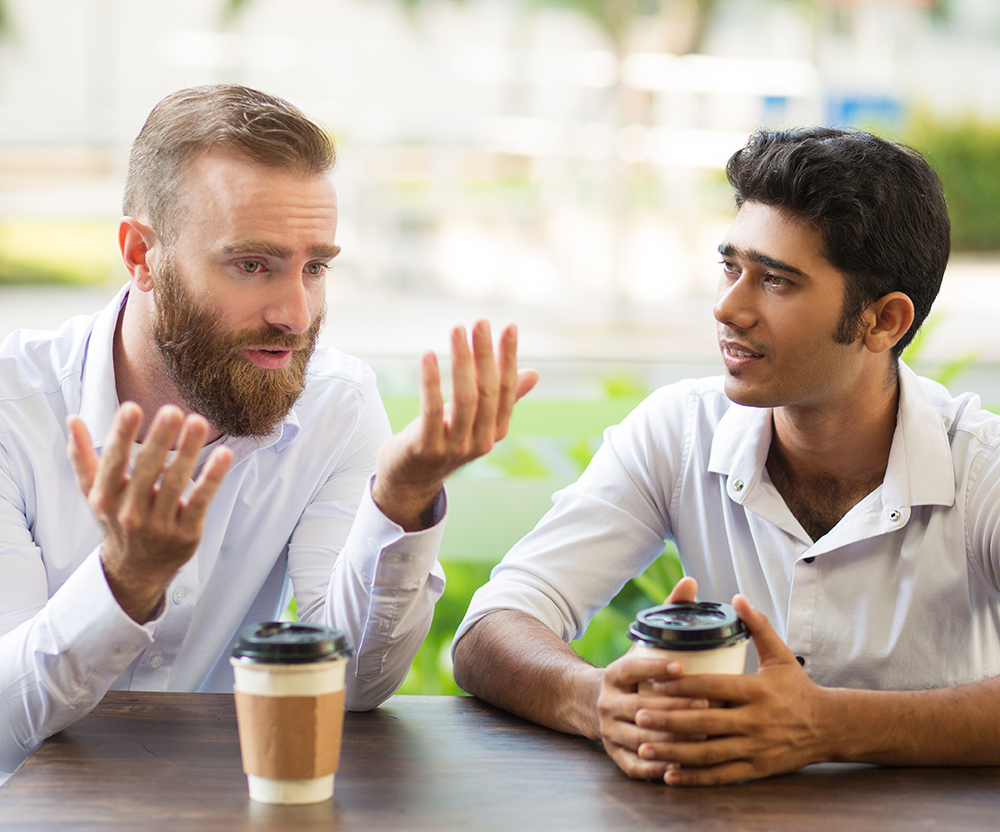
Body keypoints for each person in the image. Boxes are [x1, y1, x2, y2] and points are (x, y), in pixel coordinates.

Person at [0, 84, 537, 780]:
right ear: (140, 255)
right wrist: (124, 581)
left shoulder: (335, 405)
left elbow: (351, 682)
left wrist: (402, 498)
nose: (296, 313)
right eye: (252, 265)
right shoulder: (15, 406)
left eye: (315, 266)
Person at [452, 126, 1000, 786]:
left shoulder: (982, 472)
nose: (727, 306)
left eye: (776, 281)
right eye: (731, 267)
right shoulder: (679, 430)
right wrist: (598, 702)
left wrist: (829, 725)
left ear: (883, 321)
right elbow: (491, 628)